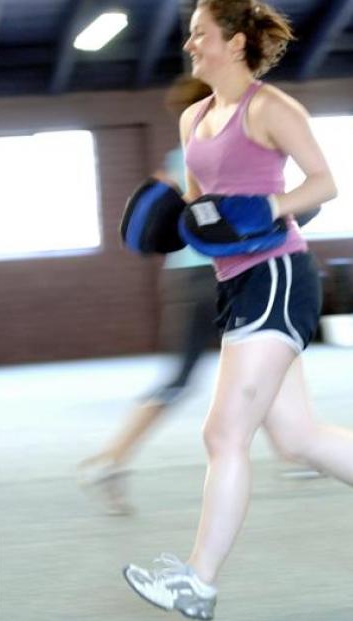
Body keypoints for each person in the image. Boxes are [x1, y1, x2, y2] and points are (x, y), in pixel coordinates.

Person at [121, 2, 353, 618]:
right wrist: (174, 223)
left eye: (200, 34)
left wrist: (268, 208)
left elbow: (324, 182)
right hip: (233, 283)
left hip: (276, 276)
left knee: (223, 434)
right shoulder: (194, 118)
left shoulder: (270, 108)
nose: (190, 45)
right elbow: (201, 209)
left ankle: (199, 581)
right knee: (297, 437)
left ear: (236, 42)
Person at [76, 76, 216, 516]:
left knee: (259, 365)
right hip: (207, 279)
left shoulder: (180, 156)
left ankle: (299, 449)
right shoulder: (208, 156)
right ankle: (111, 459)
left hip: (188, 280)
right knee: (185, 379)